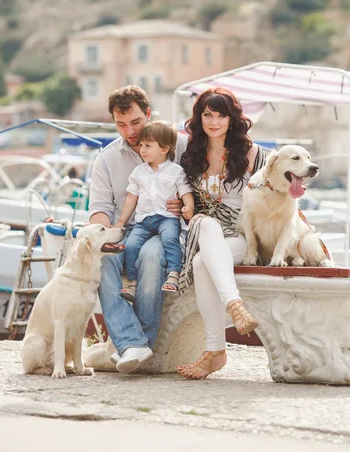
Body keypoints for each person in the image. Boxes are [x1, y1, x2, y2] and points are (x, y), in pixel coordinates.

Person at [88, 85, 187, 374]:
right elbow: (101, 208)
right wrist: (99, 234)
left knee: (154, 256)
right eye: (121, 125)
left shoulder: (177, 145)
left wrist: (184, 205)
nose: (130, 132)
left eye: (135, 123)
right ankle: (134, 344)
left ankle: (134, 343)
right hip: (125, 230)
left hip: (166, 228)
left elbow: (198, 191)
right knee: (103, 258)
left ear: (148, 114)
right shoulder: (106, 159)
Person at [176, 87, 266, 380]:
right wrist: (180, 203)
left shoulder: (252, 153)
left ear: (232, 119)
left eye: (221, 115)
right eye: (207, 115)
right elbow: (185, 198)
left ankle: (215, 352)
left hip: (242, 235)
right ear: (199, 117)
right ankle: (234, 307)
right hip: (205, 231)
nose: (214, 122)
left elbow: (273, 198)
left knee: (204, 263)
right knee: (204, 223)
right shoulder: (191, 155)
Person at [115, 121, 194, 300]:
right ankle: (133, 283)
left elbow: (186, 192)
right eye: (141, 145)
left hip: (167, 218)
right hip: (143, 220)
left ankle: (174, 274)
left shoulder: (175, 171)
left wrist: (189, 207)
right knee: (131, 245)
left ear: (164, 149)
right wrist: (121, 222)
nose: (142, 149)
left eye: (148, 146)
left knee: (169, 239)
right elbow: (131, 197)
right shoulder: (138, 172)